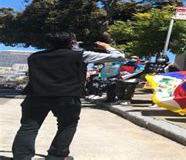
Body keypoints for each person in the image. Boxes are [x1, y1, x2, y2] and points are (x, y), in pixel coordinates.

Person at [12, 32, 125, 160]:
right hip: (67, 96)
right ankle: (57, 155)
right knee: (67, 125)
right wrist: (106, 46)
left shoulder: (34, 57)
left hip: (36, 95)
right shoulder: (81, 55)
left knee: (29, 126)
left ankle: (21, 156)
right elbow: (119, 57)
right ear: (71, 43)